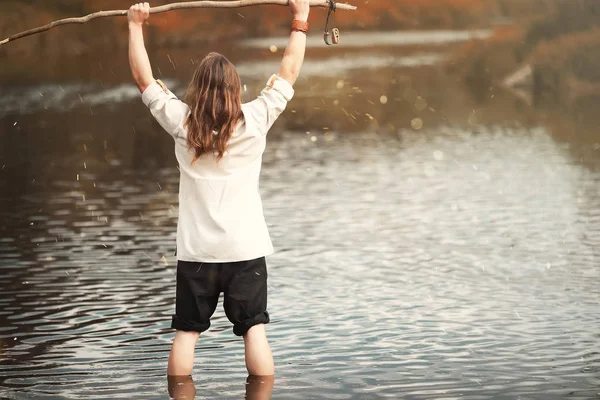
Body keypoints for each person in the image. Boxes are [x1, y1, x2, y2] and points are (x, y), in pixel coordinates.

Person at [127, 0, 310, 378]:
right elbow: (289, 69)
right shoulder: (256, 119)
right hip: (245, 249)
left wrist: (134, 25)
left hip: (197, 252)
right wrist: (300, 19)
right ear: (235, 89)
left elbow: (144, 80)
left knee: (187, 333)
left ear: (197, 90)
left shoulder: (182, 123)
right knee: (254, 330)